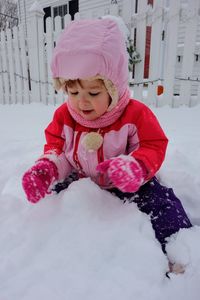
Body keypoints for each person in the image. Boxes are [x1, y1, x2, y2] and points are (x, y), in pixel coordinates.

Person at [22, 18, 192, 274]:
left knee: (162, 202)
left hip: (130, 181)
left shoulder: (134, 114)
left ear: (113, 88)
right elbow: (58, 149)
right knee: (53, 196)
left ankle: (179, 251)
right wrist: (48, 168)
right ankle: (42, 247)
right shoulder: (64, 116)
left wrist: (135, 166)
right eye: (74, 92)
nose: (82, 103)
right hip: (82, 178)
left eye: (93, 93)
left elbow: (154, 144)